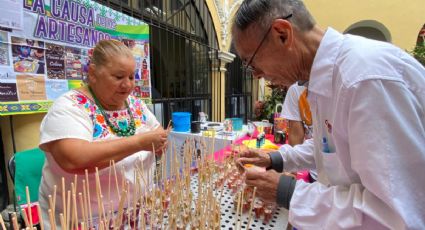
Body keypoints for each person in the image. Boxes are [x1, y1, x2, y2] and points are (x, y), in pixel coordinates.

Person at [232, 0, 425, 229]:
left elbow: (395, 216)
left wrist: (287, 192)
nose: (256, 75)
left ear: (282, 34)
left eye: (251, 62)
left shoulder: (364, 79)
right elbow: (329, 148)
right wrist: (276, 158)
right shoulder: (325, 79)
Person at [38, 40, 168, 228]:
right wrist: (140, 142)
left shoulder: (134, 103)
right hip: (83, 219)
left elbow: (158, 132)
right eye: (118, 77)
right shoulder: (69, 106)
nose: (128, 85)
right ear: (93, 74)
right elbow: (73, 158)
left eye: (132, 77)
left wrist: (160, 143)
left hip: (134, 212)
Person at [281, 81, 316, 182]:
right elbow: (296, 136)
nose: (257, 74)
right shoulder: (296, 89)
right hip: (315, 174)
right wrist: (291, 169)